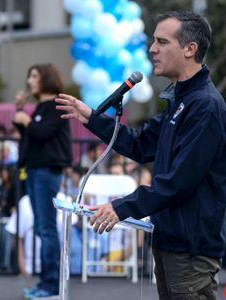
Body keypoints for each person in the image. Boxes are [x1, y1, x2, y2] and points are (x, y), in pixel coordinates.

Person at [55, 11, 226, 299]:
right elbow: (140, 144)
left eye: (162, 41)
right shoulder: (181, 100)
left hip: (190, 249)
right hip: (172, 242)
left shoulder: (204, 105)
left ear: (190, 49)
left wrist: (122, 207)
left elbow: (180, 181)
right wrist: (93, 119)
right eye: (153, 41)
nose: (152, 49)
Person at [13, 63, 72, 299]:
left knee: (47, 228)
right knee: (42, 227)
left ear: (46, 78)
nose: (29, 81)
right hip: (36, 171)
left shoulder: (56, 105)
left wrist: (26, 121)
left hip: (47, 172)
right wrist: (20, 112)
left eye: (34, 76)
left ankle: (50, 285)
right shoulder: (40, 107)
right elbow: (30, 135)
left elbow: (43, 132)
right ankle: (45, 282)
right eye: (29, 76)